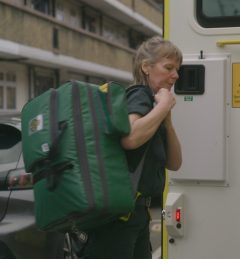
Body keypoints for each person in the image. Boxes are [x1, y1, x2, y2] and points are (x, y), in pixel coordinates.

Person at [83, 36, 183, 259]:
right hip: (120, 218)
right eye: (168, 67)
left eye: (177, 69)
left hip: (137, 214)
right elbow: (130, 138)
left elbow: (175, 163)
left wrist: (166, 119)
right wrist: (164, 105)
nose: (175, 75)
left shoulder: (155, 108)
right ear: (146, 67)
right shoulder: (140, 93)